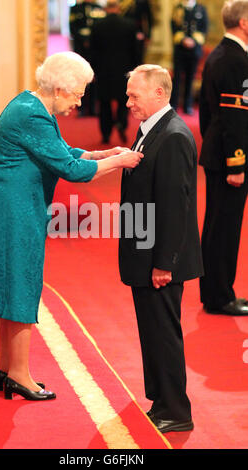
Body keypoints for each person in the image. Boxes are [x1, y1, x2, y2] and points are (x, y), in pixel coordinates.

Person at [0, 51, 143, 401]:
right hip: (13, 208)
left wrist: (103, 155)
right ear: (60, 87)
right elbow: (71, 170)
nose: (80, 100)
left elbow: (60, 151)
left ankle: (7, 368)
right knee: (21, 284)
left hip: (10, 203)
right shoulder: (34, 114)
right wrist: (121, 161)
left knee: (12, 285)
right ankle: (18, 373)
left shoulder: (32, 105)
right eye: (78, 92)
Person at [119, 64, 203, 433]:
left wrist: (164, 262)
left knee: (164, 333)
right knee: (151, 331)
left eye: (134, 95)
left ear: (159, 94)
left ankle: (176, 409)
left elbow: (175, 206)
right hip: (146, 251)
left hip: (161, 259)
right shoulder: (150, 129)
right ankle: (160, 399)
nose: (128, 102)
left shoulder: (172, 136)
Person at [199, 0, 248, 316]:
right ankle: (219, 296)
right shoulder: (235, 60)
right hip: (230, 160)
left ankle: (219, 291)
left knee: (220, 226)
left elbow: (208, 115)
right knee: (223, 228)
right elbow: (233, 117)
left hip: (219, 154)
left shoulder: (224, 54)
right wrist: (237, 162)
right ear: (244, 23)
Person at [90, 0, 138, 143]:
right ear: (118, 8)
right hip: (124, 70)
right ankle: (121, 122)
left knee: (104, 103)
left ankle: (105, 134)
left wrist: (93, 71)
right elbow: (135, 51)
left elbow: (93, 51)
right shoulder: (129, 25)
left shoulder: (97, 25)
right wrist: (135, 70)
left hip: (103, 71)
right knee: (124, 100)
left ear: (106, 8)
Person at [170, 0, 208, 115]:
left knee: (190, 79)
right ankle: (174, 105)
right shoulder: (178, 8)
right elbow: (173, 26)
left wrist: (194, 41)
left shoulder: (201, 9)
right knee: (176, 79)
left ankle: (188, 105)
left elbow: (204, 28)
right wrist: (182, 39)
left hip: (194, 50)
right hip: (180, 49)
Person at [69, 0, 106, 116]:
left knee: (95, 79)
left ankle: (93, 107)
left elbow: (101, 28)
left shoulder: (98, 8)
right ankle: (81, 108)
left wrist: (91, 41)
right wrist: (84, 40)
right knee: (80, 78)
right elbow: (72, 28)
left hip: (95, 50)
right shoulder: (75, 9)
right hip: (81, 49)